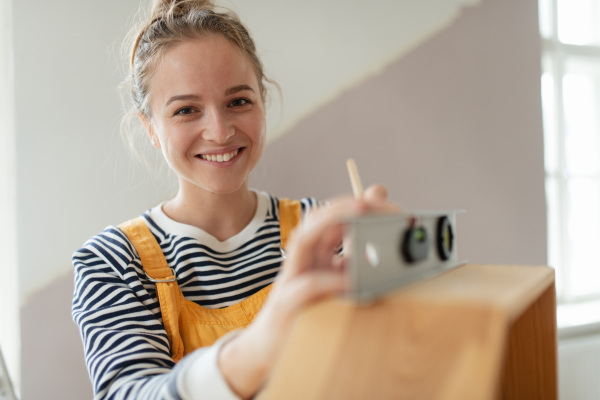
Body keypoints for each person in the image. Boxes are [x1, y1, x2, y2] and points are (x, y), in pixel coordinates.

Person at [72, 0, 394, 399]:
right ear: (150, 129)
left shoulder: (325, 230)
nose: (220, 132)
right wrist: (261, 344)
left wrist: (396, 274)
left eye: (238, 102)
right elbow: (128, 393)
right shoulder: (112, 262)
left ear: (263, 100)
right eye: (187, 110)